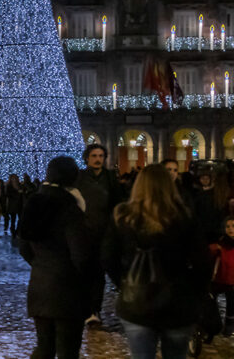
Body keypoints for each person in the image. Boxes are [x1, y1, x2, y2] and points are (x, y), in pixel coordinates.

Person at [102, 163, 211, 359]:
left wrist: (125, 281)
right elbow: (202, 262)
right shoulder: (184, 216)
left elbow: (108, 257)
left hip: (137, 300)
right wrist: (195, 291)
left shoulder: (123, 216)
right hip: (178, 299)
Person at [16, 156, 93, 359]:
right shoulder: (70, 208)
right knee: (68, 350)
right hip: (67, 288)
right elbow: (81, 254)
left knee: (44, 347)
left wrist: (41, 265)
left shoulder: (33, 202)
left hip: (40, 283)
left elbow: (23, 246)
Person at [75, 143, 122, 325]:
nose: (98, 159)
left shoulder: (110, 178)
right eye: (94, 155)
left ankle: (95, 310)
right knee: (83, 271)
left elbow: (118, 202)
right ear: (87, 158)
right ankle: (84, 307)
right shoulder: (79, 177)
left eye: (101, 156)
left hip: (104, 232)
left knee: (98, 273)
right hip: (83, 232)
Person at [210, 216, 234, 336]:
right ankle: (213, 323)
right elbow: (211, 251)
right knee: (212, 300)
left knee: (231, 303)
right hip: (219, 279)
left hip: (231, 280)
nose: (230, 229)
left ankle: (229, 324)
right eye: (228, 226)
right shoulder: (221, 242)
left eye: (233, 226)